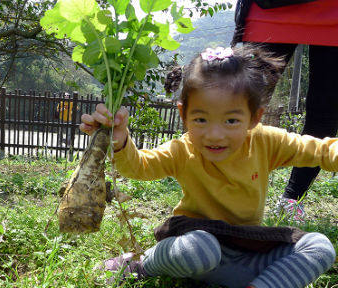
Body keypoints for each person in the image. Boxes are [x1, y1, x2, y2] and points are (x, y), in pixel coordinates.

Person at [80, 45, 336, 288]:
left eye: (231, 120)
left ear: (254, 118)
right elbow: (140, 166)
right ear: (184, 115)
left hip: (247, 251)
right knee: (201, 248)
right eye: (201, 119)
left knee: (319, 246)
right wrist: (121, 141)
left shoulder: (265, 141)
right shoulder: (183, 150)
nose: (214, 134)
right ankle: (144, 264)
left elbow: (318, 150)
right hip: (193, 248)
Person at [231, 0, 338, 222]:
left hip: (333, 12)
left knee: (325, 112)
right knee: (241, 103)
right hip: (270, 8)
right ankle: (224, 190)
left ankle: (292, 199)